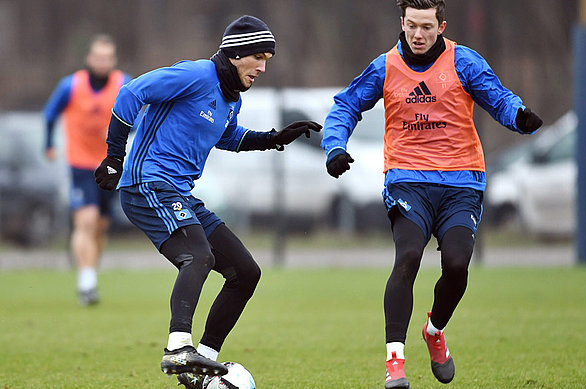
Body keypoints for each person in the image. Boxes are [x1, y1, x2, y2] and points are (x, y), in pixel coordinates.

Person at [321, 1, 542, 387]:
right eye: (411, 26)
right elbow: (346, 106)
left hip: (462, 183)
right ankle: (395, 362)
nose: (418, 35)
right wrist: (335, 146)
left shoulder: (464, 62)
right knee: (407, 256)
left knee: (457, 266)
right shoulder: (385, 67)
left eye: (426, 27)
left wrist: (518, 116)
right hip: (408, 180)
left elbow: (498, 97)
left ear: (441, 26)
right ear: (401, 24)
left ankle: (434, 330)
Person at [93, 15, 321, 387]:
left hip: (179, 192)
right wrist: (115, 156)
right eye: (258, 57)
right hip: (147, 184)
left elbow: (227, 136)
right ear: (235, 54)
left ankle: (202, 367)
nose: (263, 67)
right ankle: (177, 348)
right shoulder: (196, 75)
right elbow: (131, 93)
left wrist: (274, 137)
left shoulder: (232, 98)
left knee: (245, 273)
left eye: (268, 59)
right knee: (198, 255)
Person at [44, 34, 131, 306]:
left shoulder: (123, 84)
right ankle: (86, 282)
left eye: (107, 58)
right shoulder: (70, 85)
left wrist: (122, 131)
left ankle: (90, 271)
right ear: (89, 59)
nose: (102, 62)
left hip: (110, 163)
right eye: (98, 57)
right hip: (80, 163)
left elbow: (140, 117)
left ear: (113, 60)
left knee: (101, 226)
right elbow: (49, 115)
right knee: (86, 220)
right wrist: (48, 144)